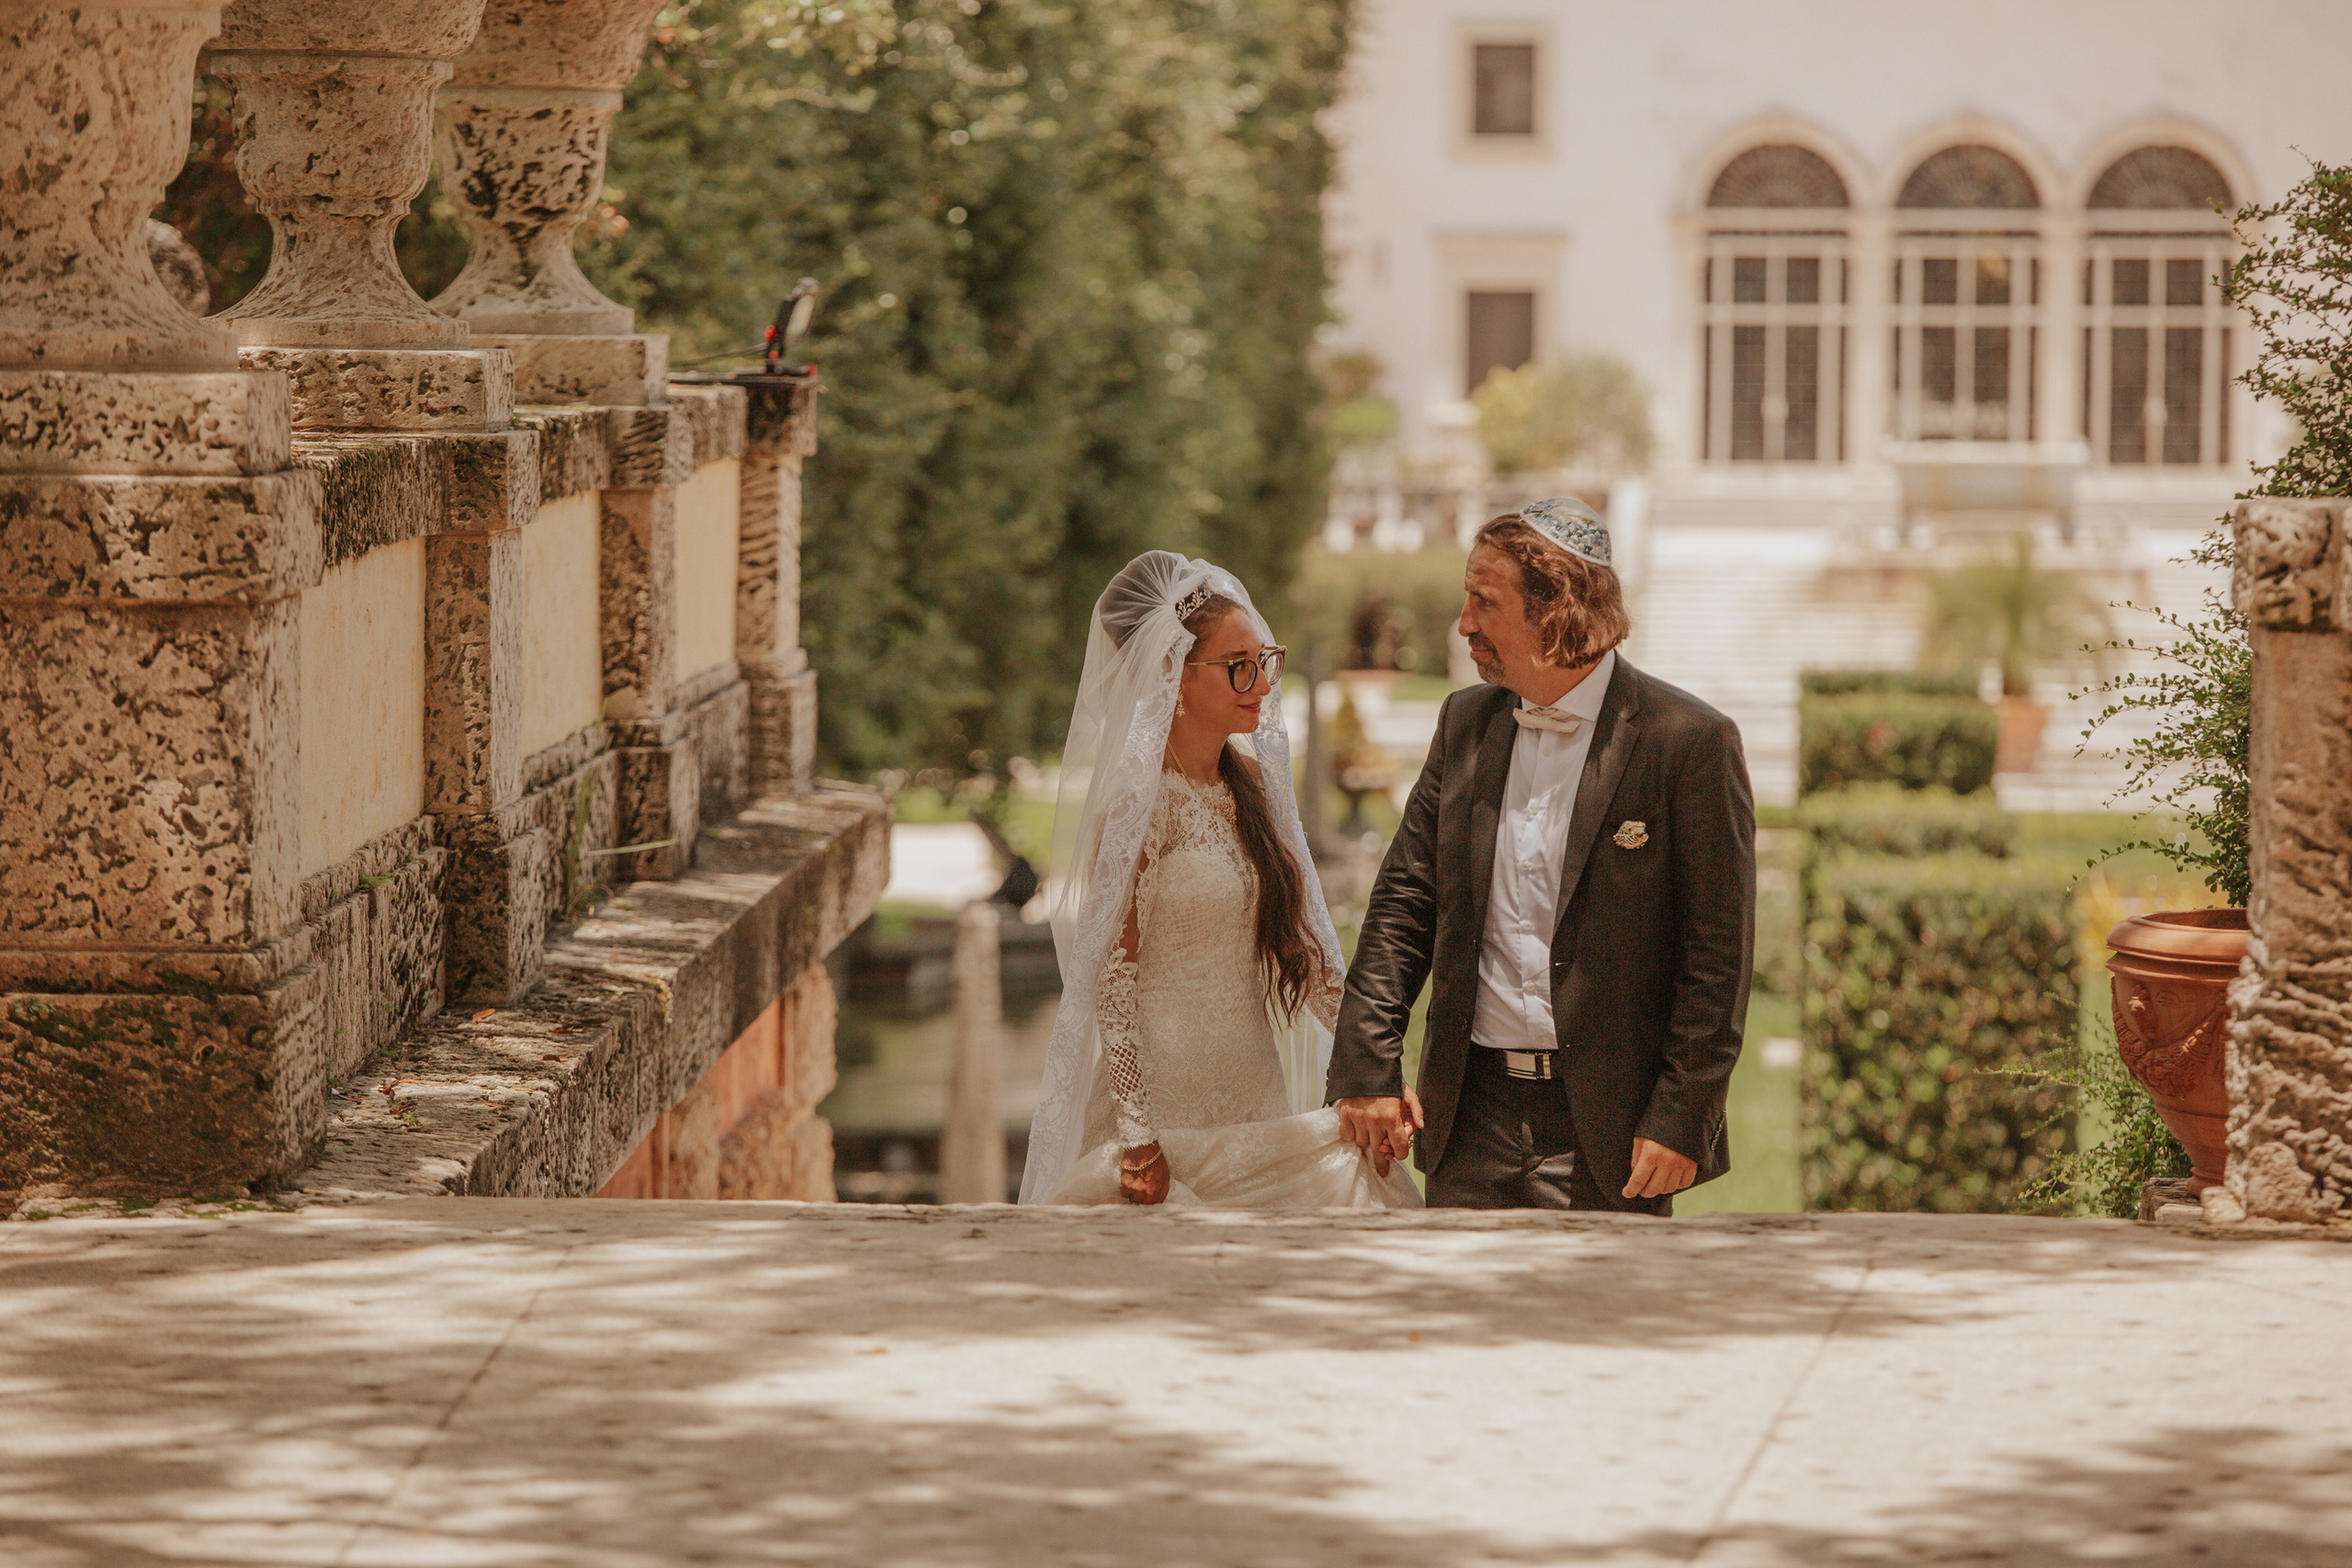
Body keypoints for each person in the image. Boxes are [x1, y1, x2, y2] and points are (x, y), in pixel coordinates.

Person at [1325, 499, 1755, 1212]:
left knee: (1595, 1323)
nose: (1464, 623)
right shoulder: (1464, 724)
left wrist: (1684, 1115)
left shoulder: (1689, 742)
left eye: (1484, 602)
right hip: (1468, 1117)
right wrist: (1368, 1065)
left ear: (1557, 610)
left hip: (1612, 1131)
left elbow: (1717, 955)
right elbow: (1405, 900)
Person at [1019, 551, 1420, 1209]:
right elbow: (1112, 983)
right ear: (1174, 676)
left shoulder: (1256, 787)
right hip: (1160, 1107)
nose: (1261, 682)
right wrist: (1139, 1135)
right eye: (1239, 666)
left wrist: (1372, 1067)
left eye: (1266, 660)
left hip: (1251, 1093)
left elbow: (1309, 952)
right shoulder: (1137, 805)